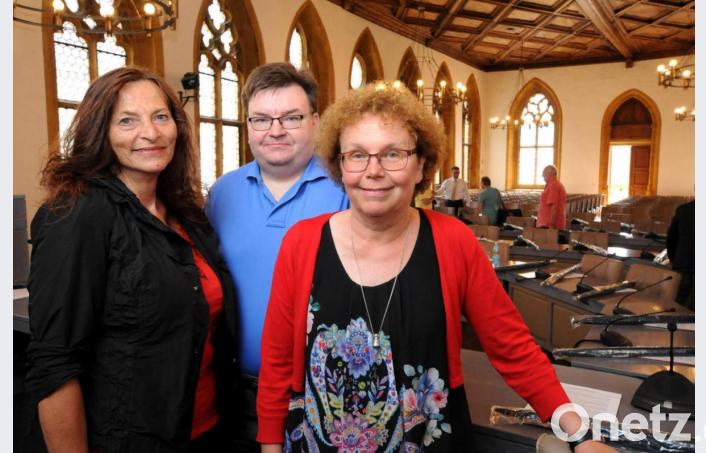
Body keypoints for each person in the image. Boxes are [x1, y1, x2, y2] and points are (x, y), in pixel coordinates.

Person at [257, 82, 613, 452]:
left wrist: (580, 435)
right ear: (339, 164)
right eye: (357, 155)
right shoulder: (302, 243)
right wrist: (269, 447)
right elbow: (278, 362)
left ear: (421, 164)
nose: (373, 171)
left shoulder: (453, 241)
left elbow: (515, 350)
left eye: (393, 154)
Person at [25, 67, 240, 452]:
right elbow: (56, 365)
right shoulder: (77, 214)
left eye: (161, 117)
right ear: (99, 132)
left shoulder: (187, 212)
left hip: (206, 430)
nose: (151, 133)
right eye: (127, 120)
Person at [205, 63, 348, 444]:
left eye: (291, 117)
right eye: (262, 119)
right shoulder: (222, 194)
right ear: (248, 125)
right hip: (233, 389)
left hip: (320, 389)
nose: (276, 130)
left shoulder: (345, 191)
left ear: (316, 121)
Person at [666, 200, 694, 309]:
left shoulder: (684, 209)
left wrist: (673, 258)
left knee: (678, 303)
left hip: (683, 262)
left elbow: (671, 238)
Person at [537, 165, 567, 229]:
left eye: (544, 173)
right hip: (546, 224)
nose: (542, 175)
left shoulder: (554, 185)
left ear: (550, 174)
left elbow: (554, 206)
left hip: (548, 225)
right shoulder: (552, 184)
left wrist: (551, 225)